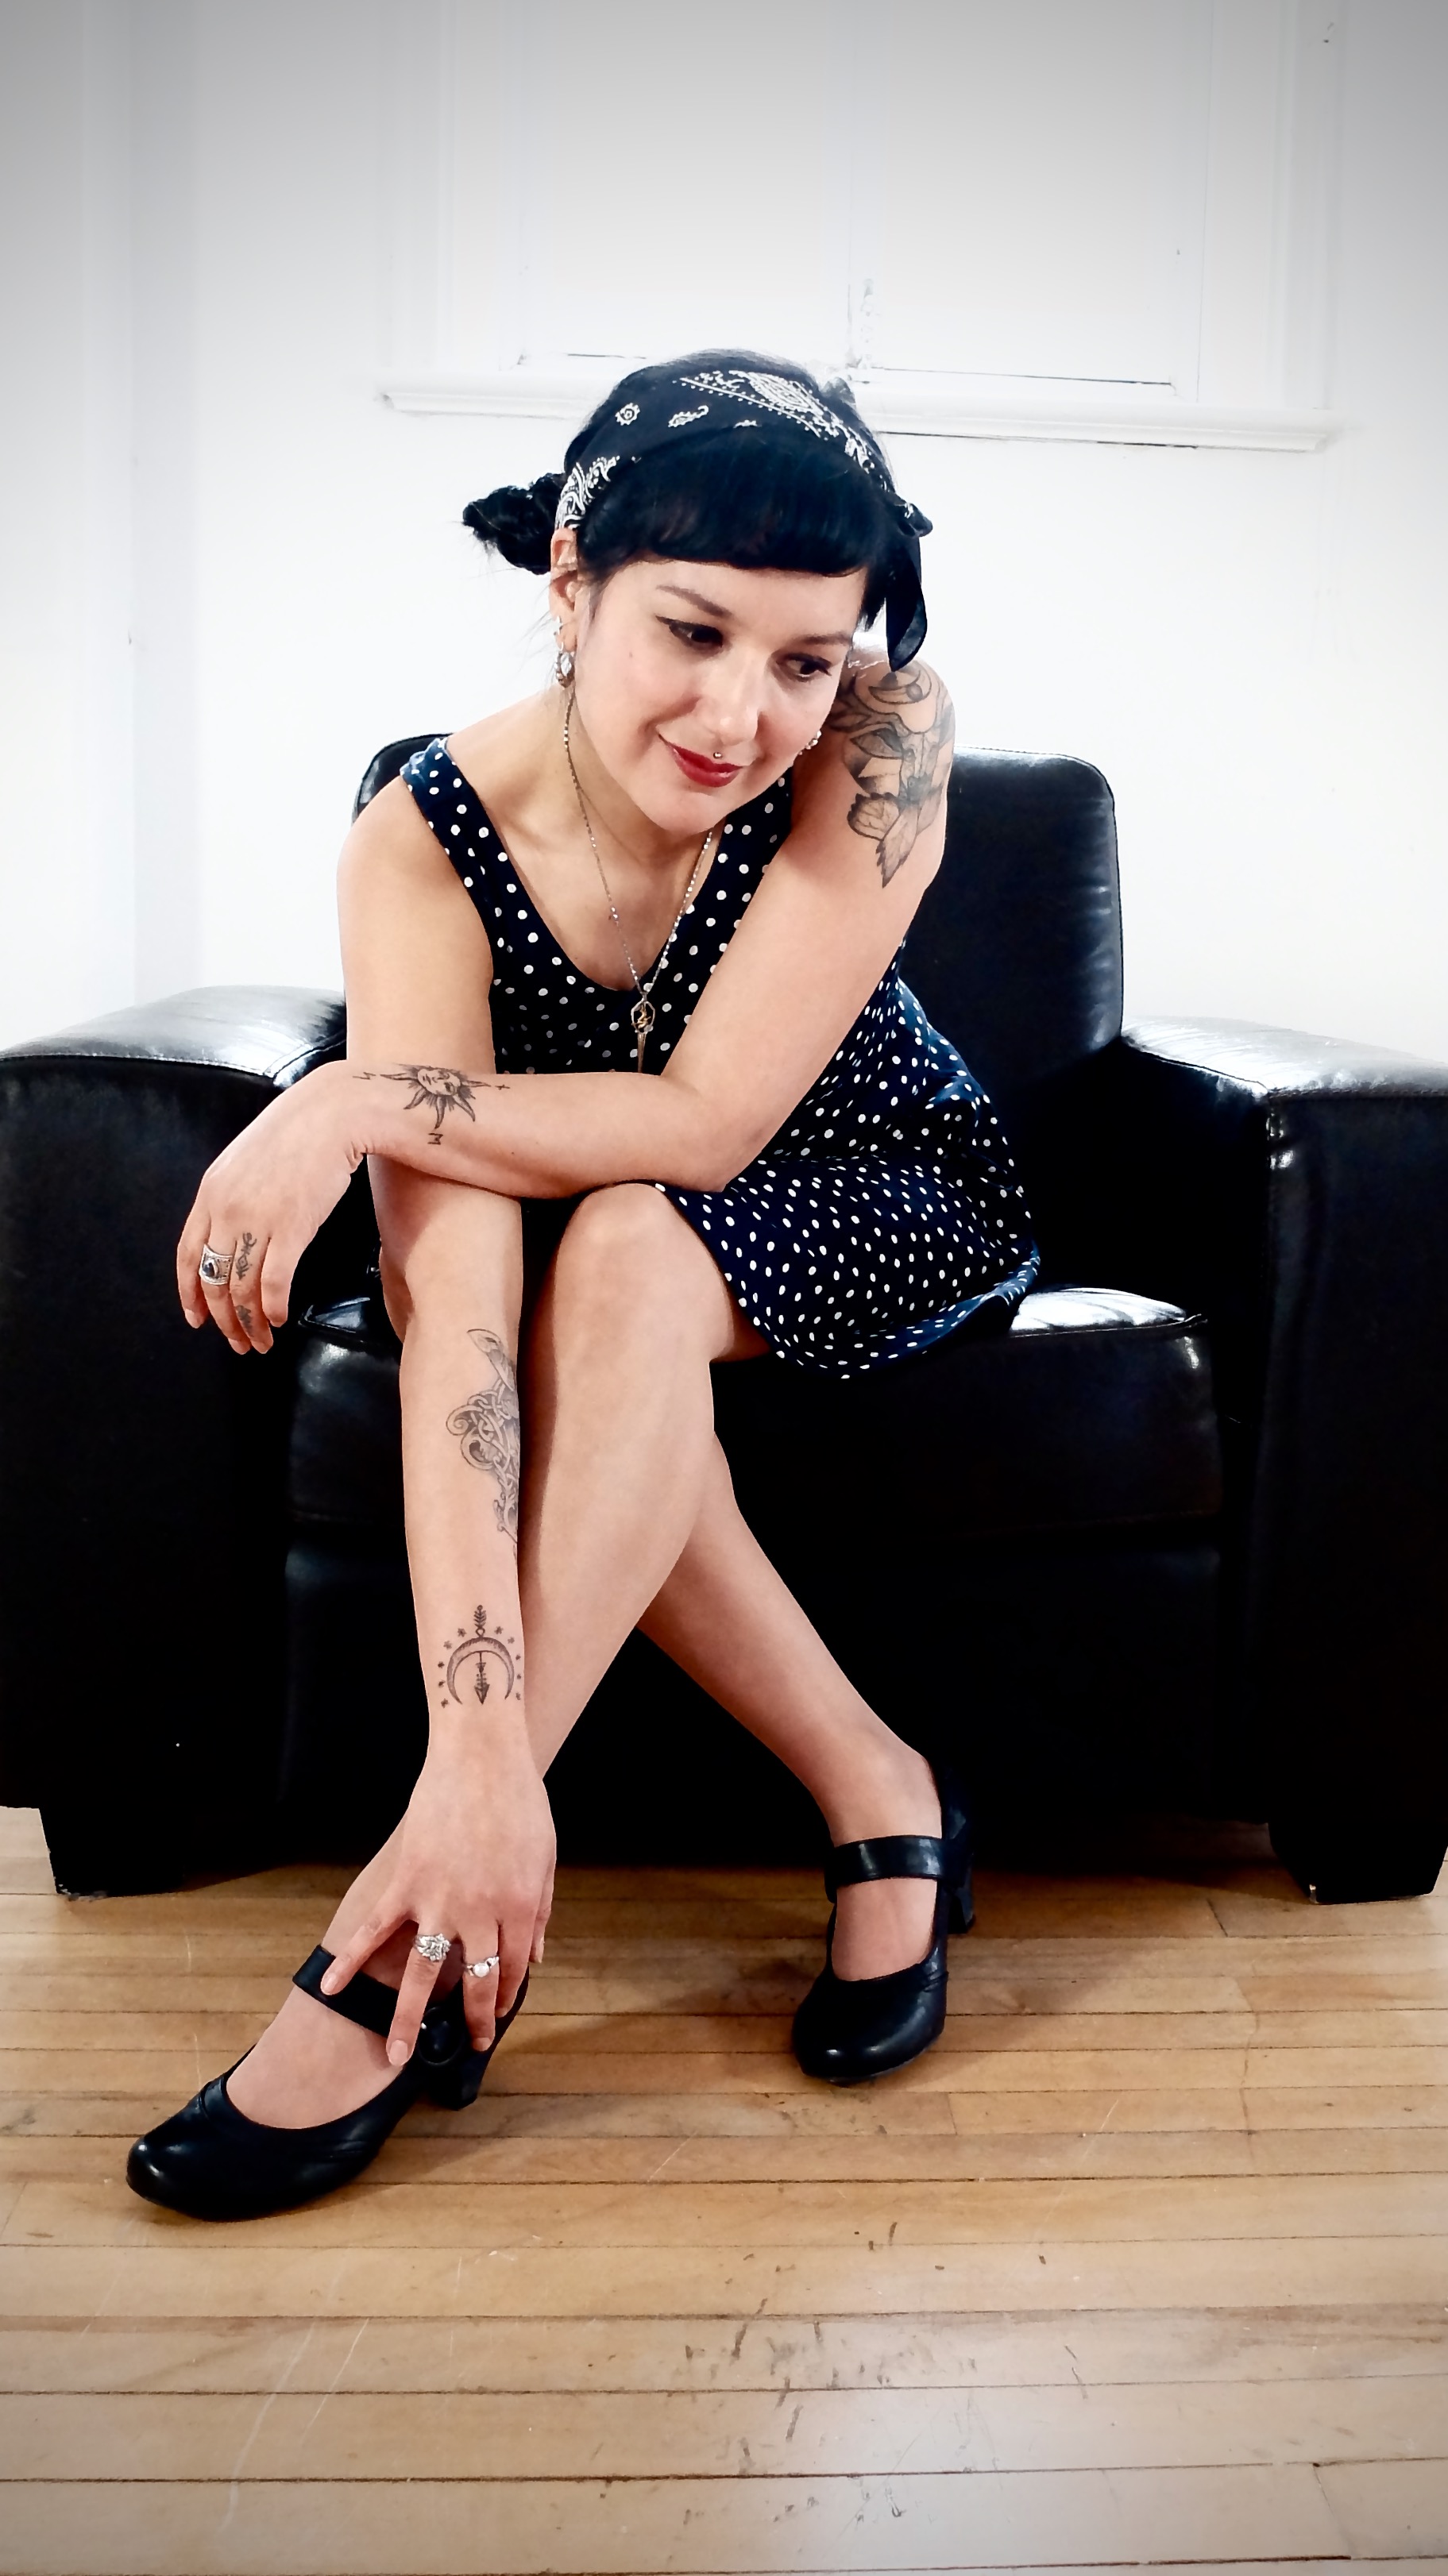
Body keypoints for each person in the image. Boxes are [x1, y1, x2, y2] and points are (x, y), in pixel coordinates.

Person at [125, 353, 1038, 2222]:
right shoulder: (425, 833)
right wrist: (466, 1732)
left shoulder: (886, 742)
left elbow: (707, 1125)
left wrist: (354, 1096)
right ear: (572, 580)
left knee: (631, 1224)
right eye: (692, 632)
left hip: (876, 1175)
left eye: (803, 658)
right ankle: (879, 1783)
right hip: (609, 1219)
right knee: (601, 1247)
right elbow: (453, 1307)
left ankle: (396, 1933)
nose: (742, 713)